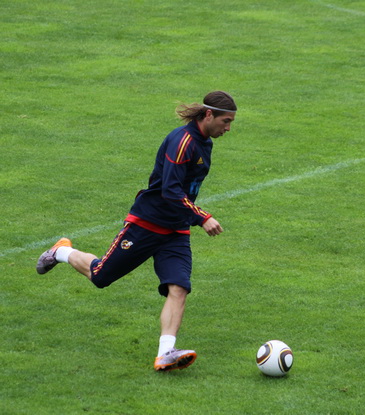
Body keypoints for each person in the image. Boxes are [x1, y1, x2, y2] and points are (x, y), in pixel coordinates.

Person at [36, 91, 237, 370]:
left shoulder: (204, 142)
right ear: (209, 115)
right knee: (100, 276)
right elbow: (170, 190)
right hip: (147, 224)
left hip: (176, 230)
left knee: (179, 287)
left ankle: (165, 353)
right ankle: (61, 251)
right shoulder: (182, 142)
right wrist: (202, 217)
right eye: (226, 121)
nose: (228, 128)